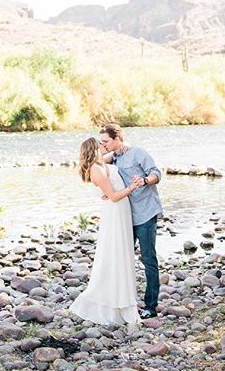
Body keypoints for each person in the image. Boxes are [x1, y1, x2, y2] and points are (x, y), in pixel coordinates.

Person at [69, 137, 142, 326]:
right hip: (115, 211)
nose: (104, 146)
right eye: (100, 144)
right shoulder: (96, 169)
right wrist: (132, 187)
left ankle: (122, 298)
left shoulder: (102, 163)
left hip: (121, 211)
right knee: (115, 252)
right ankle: (112, 300)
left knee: (123, 252)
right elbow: (114, 196)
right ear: (95, 149)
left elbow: (118, 153)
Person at [99, 123, 162, 318]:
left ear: (117, 139)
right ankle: (124, 302)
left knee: (148, 259)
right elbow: (96, 165)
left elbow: (156, 174)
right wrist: (108, 191)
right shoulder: (113, 158)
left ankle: (151, 306)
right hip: (124, 216)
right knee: (123, 259)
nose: (103, 145)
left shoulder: (137, 153)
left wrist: (144, 180)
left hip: (145, 213)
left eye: (106, 141)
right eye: (101, 142)